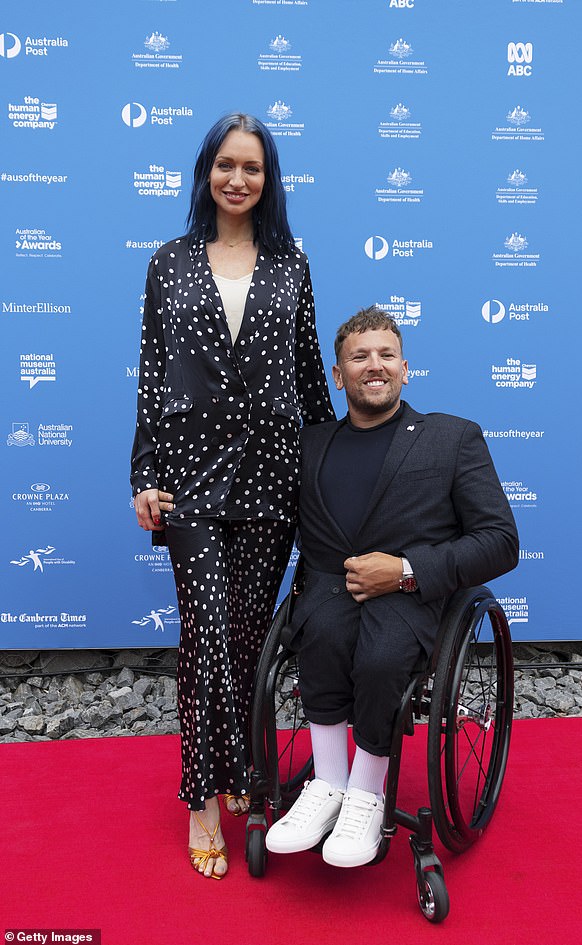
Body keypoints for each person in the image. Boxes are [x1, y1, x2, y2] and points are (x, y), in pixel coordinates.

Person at [130, 113, 334, 879]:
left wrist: (334, 465)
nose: (237, 179)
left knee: (250, 642)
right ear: (205, 173)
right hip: (188, 473)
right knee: (206, 633)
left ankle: (251, 768)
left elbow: (309, 372)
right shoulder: (170, 263)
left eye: (252, 166)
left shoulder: (291, 265)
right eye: (225, 165)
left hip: (273, 475)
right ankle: (200, 798)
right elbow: (151, 374)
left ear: (268, 178)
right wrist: (143, 472)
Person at [264, 307, 519, 868]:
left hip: (411, 597)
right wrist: (169, 499)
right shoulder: (310, 444)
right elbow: (256, 500)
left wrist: (405, 569)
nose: (373, 366)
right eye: (359, 357)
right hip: (331, 592)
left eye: (385, 355)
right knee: (321, 634)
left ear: (406, 369)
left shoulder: (453, 437)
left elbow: (501, 541)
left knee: (382, 657)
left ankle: (366, 792)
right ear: (338, 375)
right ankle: (327, 783)